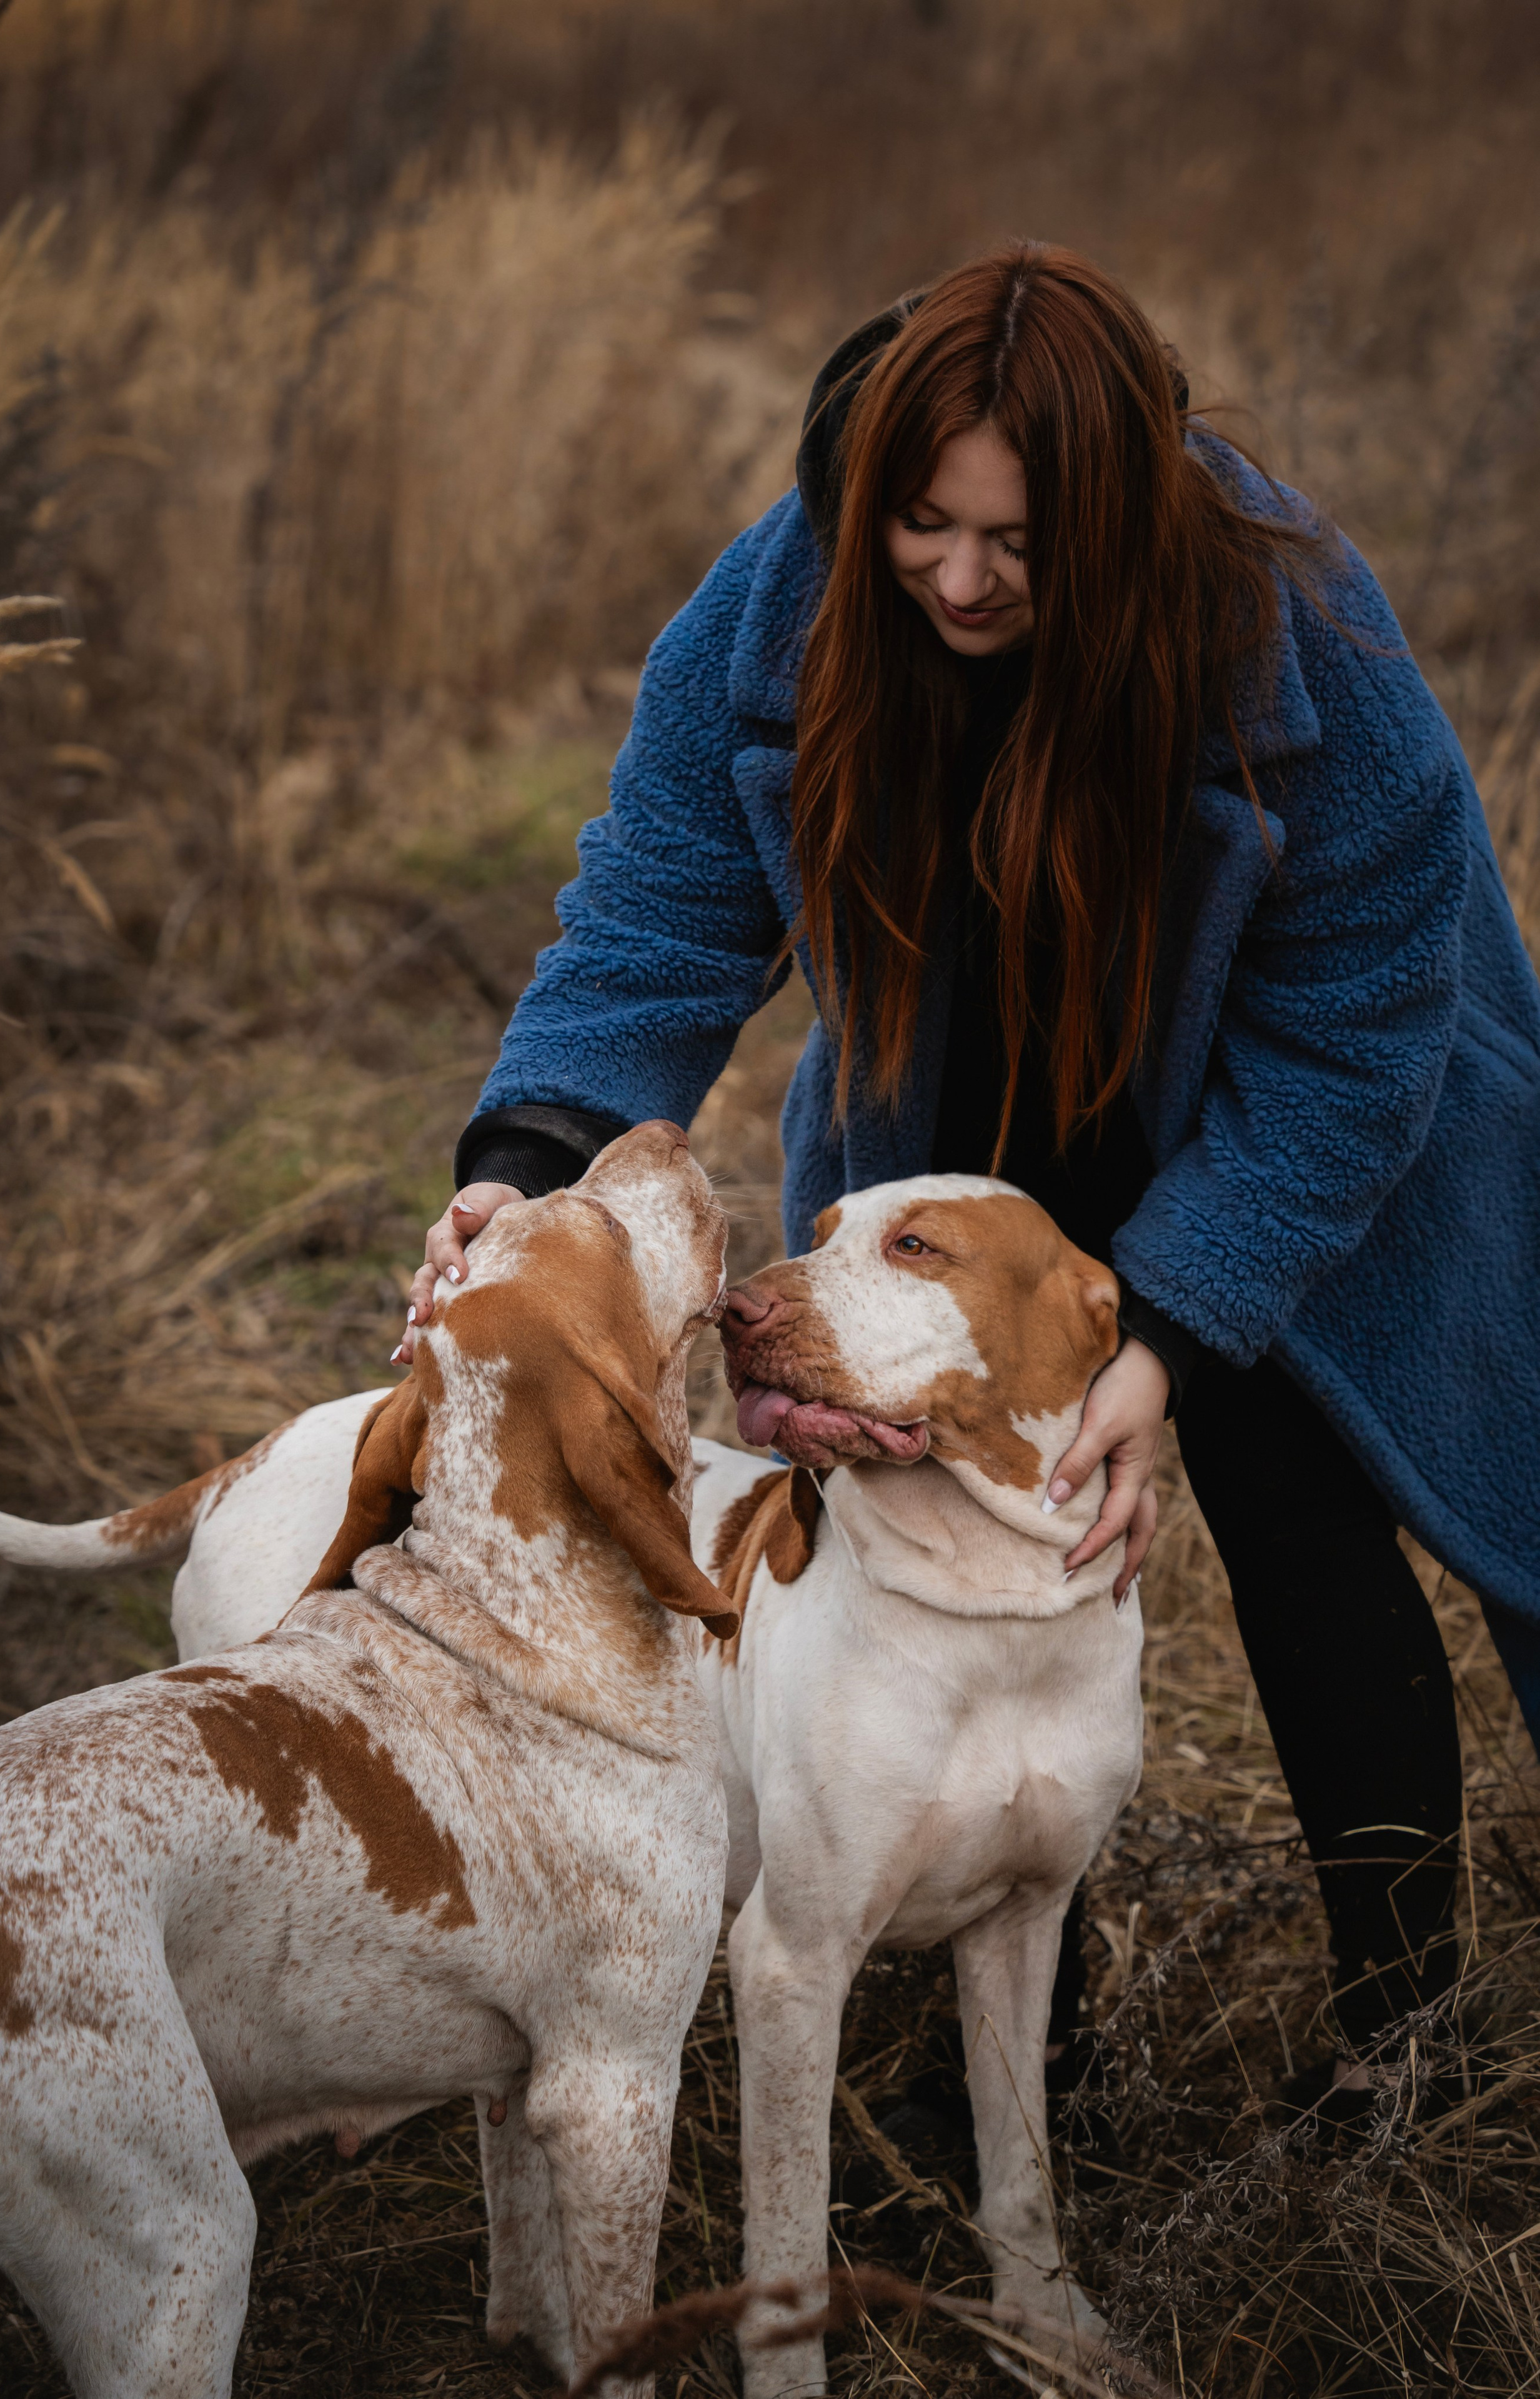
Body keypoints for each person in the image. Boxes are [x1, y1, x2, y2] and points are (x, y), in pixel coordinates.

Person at [400, 244, 1540, 2107]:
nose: (954, 576)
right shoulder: (780, 603)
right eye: (919, 526)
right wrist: (525, 1162)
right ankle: (1028, 2061)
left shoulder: (1301, 639)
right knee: (920, 1522)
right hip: (973, 1102)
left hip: (1297, 1113)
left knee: (1290, 1487)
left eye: (1016, 543)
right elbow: (665, 905)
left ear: (1119, 522)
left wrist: (1166, 1329)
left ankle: (1405, 2056)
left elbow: (1355, 1031)